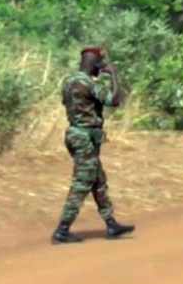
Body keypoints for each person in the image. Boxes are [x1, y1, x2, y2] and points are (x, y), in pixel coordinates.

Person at [52, 47, 135, 244]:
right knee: (82, 182)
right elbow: (114, 100)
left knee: (97, 180)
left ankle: (111, 224)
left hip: (75, 134)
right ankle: (62, 229)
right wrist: (113, 74)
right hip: (84, 138)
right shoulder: (88, 83)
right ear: (96, 65)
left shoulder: (69, 81)